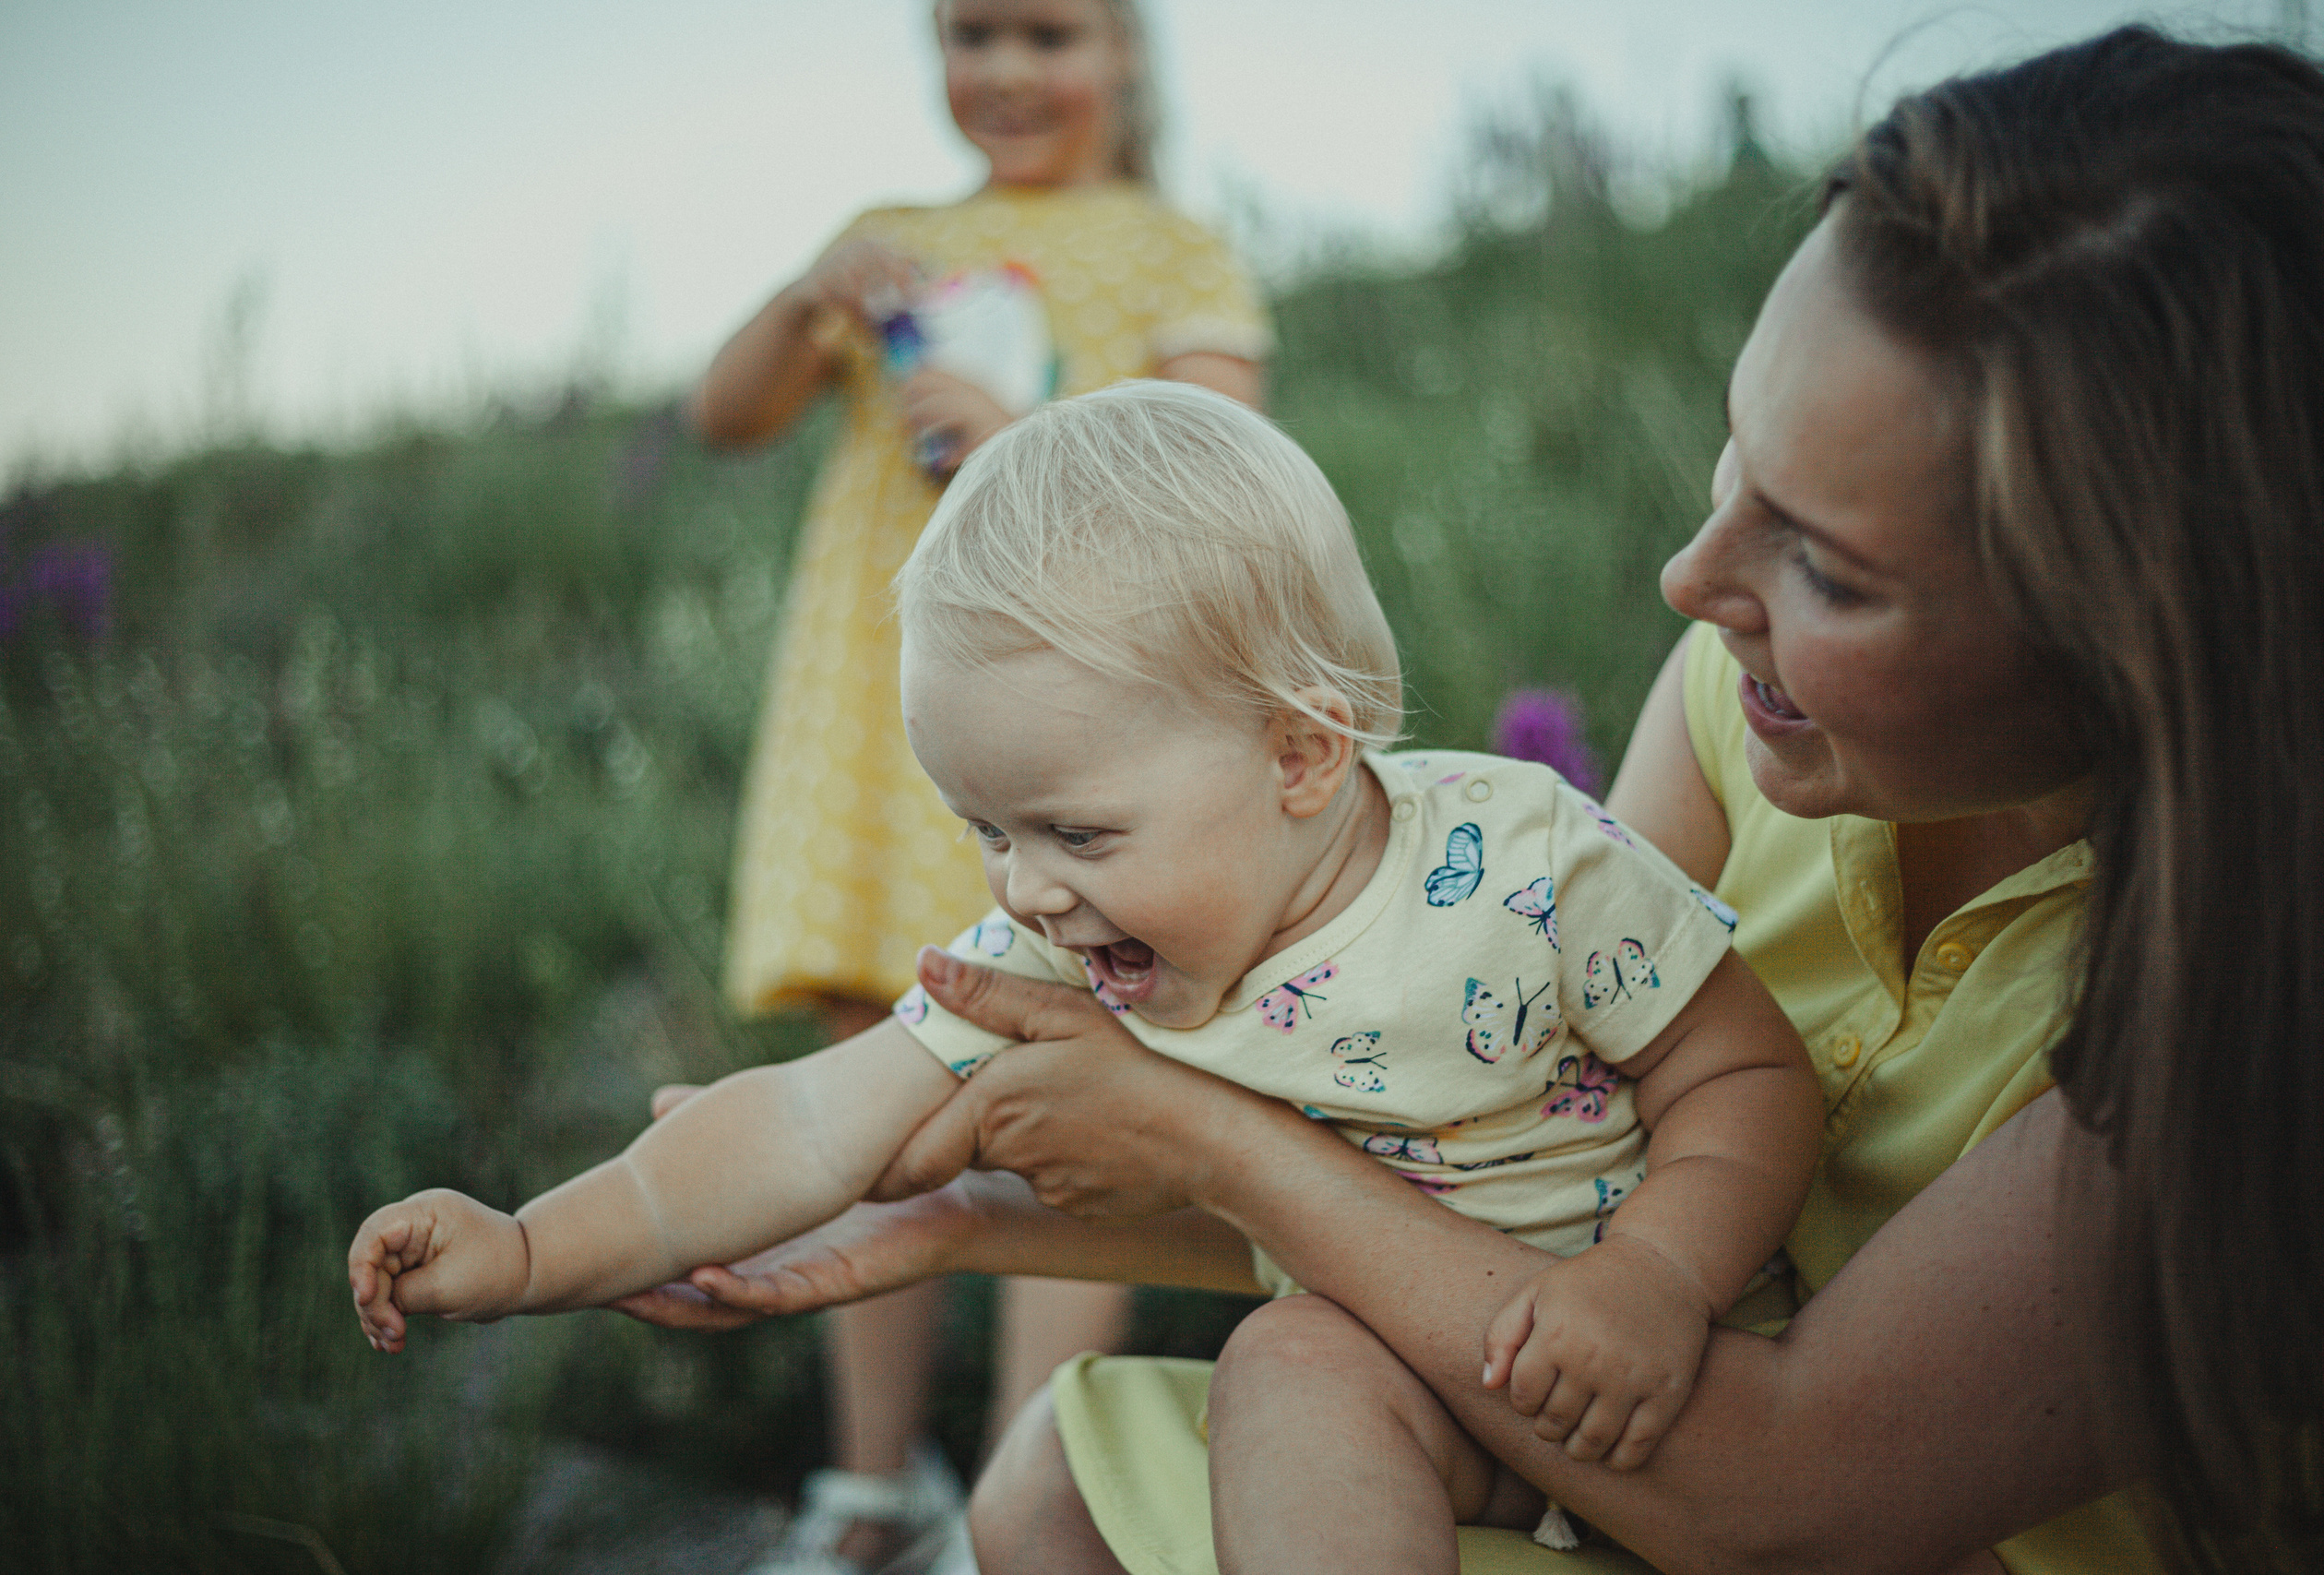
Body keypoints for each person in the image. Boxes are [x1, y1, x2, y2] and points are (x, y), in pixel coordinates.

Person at [615, 27, 2324, 1575]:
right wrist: (949, 1214)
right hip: (1630, 1400)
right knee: (1057, 1482)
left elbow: (1784, 1498)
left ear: (2138, 638)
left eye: (1823, 562)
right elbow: (1486, 1169)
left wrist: (1209, 1135)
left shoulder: (2269, 1002)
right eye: (1739, 457)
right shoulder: (1754, 710)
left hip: (1825, 1510)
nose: (1692, 578)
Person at [350, 381, 1824, 1559]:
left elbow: (1747, 1073)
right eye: (984, 828)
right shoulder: (1066, 949)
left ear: (1301, 751)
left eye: (1075, 830)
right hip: (1439, 1422)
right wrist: (536, 1249)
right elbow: (805, 1120)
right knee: (1292, 1370)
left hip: (1690, 1394)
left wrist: (1655, 1277)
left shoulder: (1519, 865)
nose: (1021, 885)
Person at [685, 0, 1266, 1564]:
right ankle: (871, 1488)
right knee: (863, 1077)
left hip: (1072, 731)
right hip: (886, 722)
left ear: (1126, 52)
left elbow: (1228, 474)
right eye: (970, 31)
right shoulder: (890, 240)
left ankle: (1021, 1499)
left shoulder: (1170, 249)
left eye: (1049, 32)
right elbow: (723, 416)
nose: (1006, 70)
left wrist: (1032, 439)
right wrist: (807, 288)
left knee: (1066, 1088)